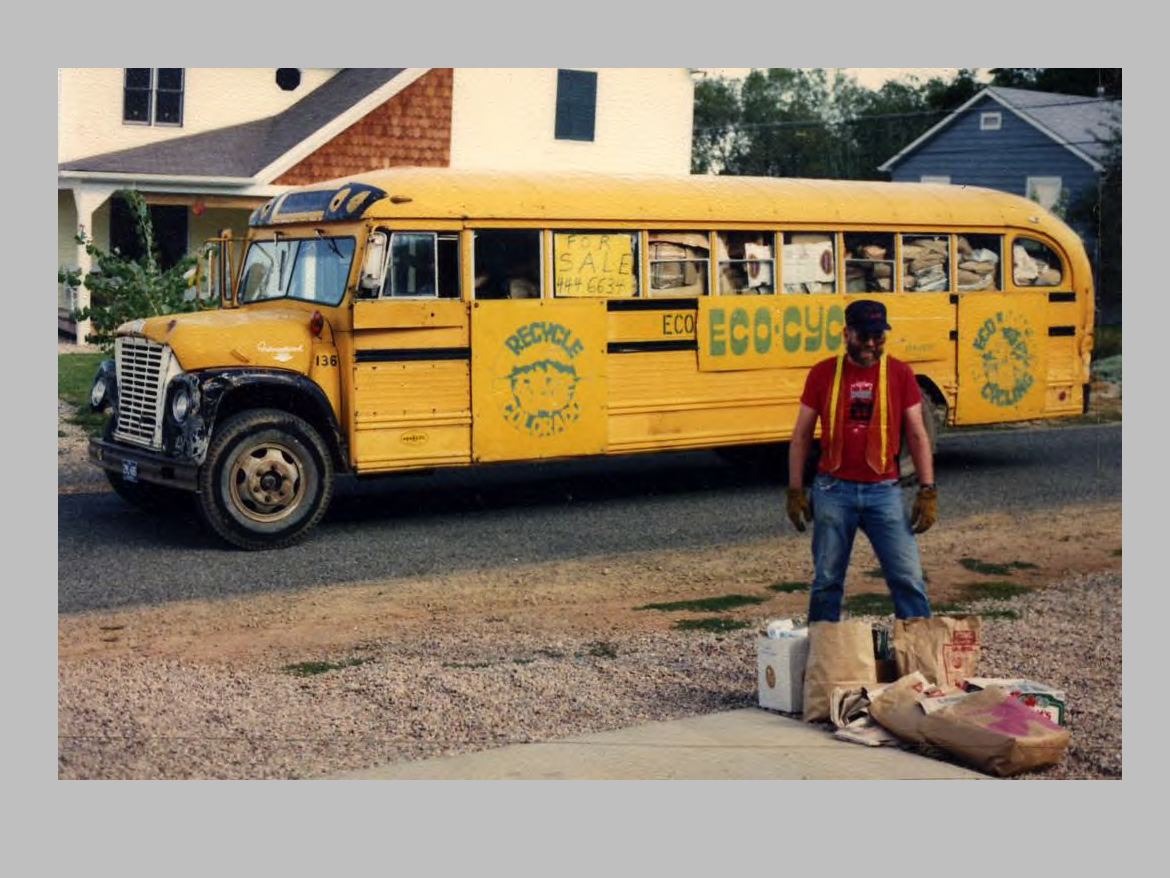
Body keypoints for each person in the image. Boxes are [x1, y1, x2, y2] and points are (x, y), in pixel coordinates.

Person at [786, 299, 937, 622]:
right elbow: (801, 435)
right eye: (863, 336)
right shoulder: (823, 373)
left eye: (878, 337)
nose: (870, 344)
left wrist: (927, 490)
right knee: (826, 580)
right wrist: (796, 489)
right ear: (846, 334)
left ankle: (921, 657)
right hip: (832, 489)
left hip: (883, 491)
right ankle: (824, 660)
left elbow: (918, 435)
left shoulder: (900, 373)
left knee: (907, 578)